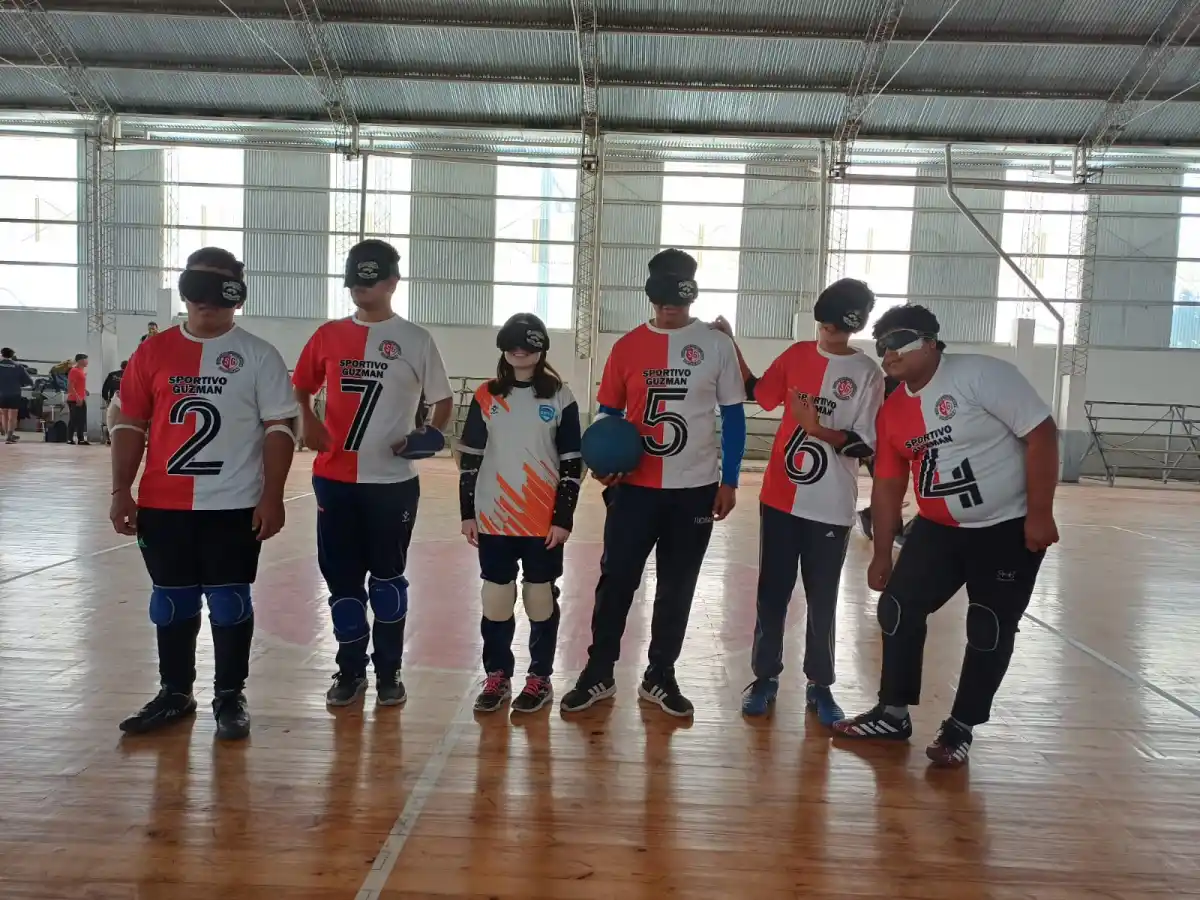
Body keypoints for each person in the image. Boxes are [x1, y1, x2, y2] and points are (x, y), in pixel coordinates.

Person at [832, 305, 1060, 767]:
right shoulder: (894, 411)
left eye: (899, 341)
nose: (888, 352)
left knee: (988, 626)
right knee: (897, 607)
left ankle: (962, 725)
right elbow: (890, 484)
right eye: (881, 345)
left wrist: (1039, 512)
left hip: (1007, 529)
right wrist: (881, 553)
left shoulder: (979, 375)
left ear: (932, 342)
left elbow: (1042, 434)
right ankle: (892, 713)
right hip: (939, 531)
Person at [109, 247, 299, 740]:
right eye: (197, 289)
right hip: (164, 504)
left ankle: (230, 695)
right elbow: (130, 421)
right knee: (171, 602)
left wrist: (272, 495)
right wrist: (119, 490)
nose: (207, 303)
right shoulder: (153, 352)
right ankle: (175, 692)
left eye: (221, 290)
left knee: (230, 601)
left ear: (239, 293)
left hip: (233, 504)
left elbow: (280, 427)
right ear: (184, 290)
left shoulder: (259, 354)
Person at [560, 248, 746, 718]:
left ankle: (660, 674)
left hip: (696, 490)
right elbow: (609, 414)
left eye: (679, 300)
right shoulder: (626, 347)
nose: (671, 309)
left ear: (691, 295)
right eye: (663, 300)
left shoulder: (716, 345)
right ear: (651, 297)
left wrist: (729, 480)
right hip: (635, 489)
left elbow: (733, 416)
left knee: (678, 585)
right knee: (616, 579)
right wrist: (604, 460)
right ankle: (599, 671)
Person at [714, 279, 885, 723]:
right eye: (827, 324)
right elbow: (758, 392)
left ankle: (820, 685)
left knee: (823, 598)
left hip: (830, 505)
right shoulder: (795, 356)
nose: (831, 334)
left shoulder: (867, 374)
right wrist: (730, 342)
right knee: (772, 593)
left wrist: (818, 430)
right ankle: (765, 676)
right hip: (780, 500)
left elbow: (866, 446)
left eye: (840, 326)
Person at [293, 239, 454, 709]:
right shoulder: (327, 335)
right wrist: (309, 417)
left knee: (387, 582)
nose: (361, 292)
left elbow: (443, 400)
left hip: (392, 484)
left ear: (391, 282)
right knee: (343, 584)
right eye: (355, 283)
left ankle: (389, 671)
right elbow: (299, 388)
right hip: (336, 480)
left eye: (371, 282)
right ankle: (349, 669)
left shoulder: (416, 339)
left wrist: (428, 435)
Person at [458, 313, 582, 714]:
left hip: (542, 520)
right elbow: (470, 460)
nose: (519, 350)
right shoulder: (485, 396)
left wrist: (563, 518)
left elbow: (571, 463)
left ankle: (540, 677)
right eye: (512, 344)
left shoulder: (560, 396)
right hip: (494, 516)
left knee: (539, 597)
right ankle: (497, 674)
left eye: (527, 343)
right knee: (496, 597)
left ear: (541, 348)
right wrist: (467, 513)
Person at [0, 347, 33, 444]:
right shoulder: (18, 367)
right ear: (12, 355)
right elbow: (29, 381)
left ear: (2, 354)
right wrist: (20, 383)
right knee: (13, 416)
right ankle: (10, 435)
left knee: (4, 414)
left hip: (1, 394)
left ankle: (7, 434)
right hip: (14, 393)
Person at [102, 360, 128, 445]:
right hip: (127, 401)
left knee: (111, 420)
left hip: (114, 400)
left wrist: (106, 399)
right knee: (126, 421)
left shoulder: (112, 375)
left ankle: (110, 438)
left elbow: (105, 389)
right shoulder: (132, 374)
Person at [66, 353, 89, 445]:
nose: (87, 361)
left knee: (82, 419)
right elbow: (70, 386)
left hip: (81, 397)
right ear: (80, 360)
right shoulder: (74, 371)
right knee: (74, 419)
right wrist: (77, 397)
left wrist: (84, 390)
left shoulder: (81, 371)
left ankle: (81, 439)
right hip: (74, 399)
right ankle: (69, 438)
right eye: (86, 359)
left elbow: (78, 384)